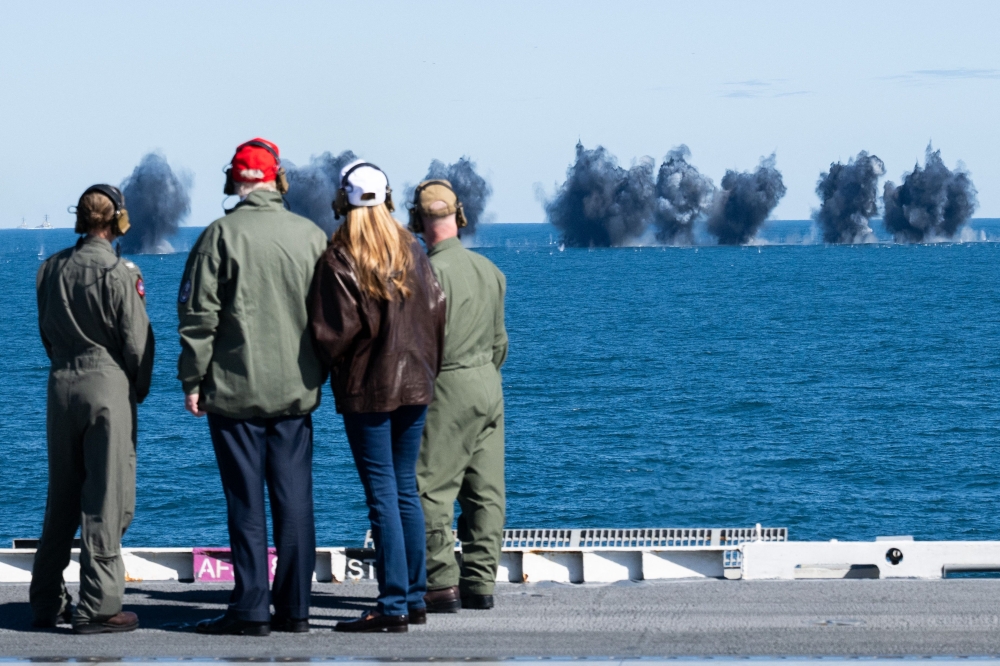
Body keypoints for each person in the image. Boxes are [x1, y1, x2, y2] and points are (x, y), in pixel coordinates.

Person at [177, 138, 328, 636]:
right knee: (295, 503)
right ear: (276, 178)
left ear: (237, 180)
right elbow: (329, 316)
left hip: (235, 393)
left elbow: (199, 318)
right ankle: (297, 609)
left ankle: (250, 609)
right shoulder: (310, 236)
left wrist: (192, 379)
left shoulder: (220, 235)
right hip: (295, 392)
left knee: (246, 504)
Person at [309, 161, 445, 633]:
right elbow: (436, 311)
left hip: (367, 390)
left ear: (343, 202)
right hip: (416, 385)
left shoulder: (341, 257)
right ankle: (413, 595)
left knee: (383, 494)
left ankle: (392, 607)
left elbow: (332, 335)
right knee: (405, 488)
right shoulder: (413, 249)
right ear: (387, 199)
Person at [31, 185, 154, 634]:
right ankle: (99, 606)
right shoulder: (120, 273)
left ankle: (46, 599)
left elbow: (46, 332)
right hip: (107, 387)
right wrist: (134, 390)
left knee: (61, 495)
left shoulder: (51, 268)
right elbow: (137, 344)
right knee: (106, 498)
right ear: (117, 220)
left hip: (61, 386)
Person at [409, 180, 508, 612]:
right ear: (460, 217)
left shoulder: (423, 274)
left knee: (430, 488)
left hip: (446, 385)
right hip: (488, 384)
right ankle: (480, 584)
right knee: (485, 490)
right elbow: (501, 344)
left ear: (416, 221)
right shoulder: (492, 272)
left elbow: (414, 346)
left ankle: (441, 582)